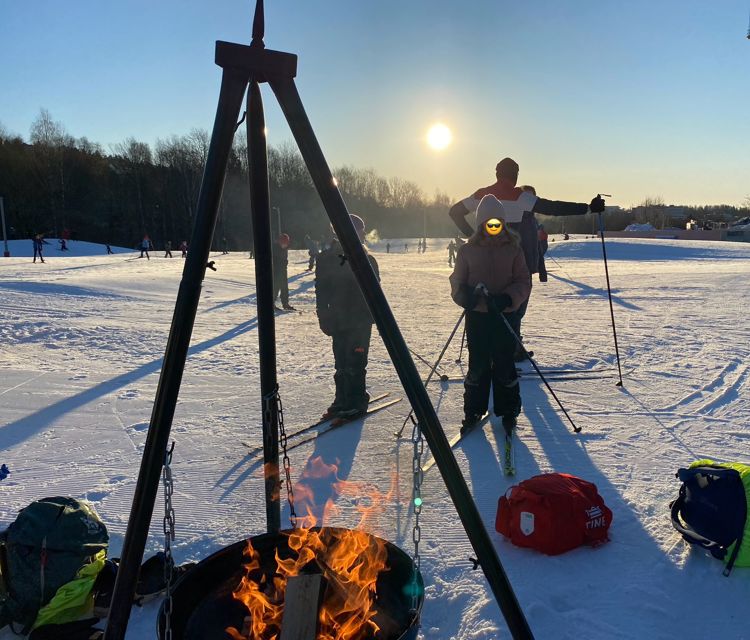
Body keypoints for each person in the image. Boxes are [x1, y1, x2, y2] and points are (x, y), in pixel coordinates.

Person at [449, 157, 606, 360]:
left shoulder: (481, 195)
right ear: (515, 176)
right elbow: (553, 208)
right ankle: (510, 350)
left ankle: (485, 352)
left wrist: (472, 236)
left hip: (481, 258)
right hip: (513, 258)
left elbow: (454, 212)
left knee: (480, 305)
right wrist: (588, 208)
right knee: (513, 306)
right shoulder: (519, 196)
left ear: (497, 174)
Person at [449, 195, 530, 433]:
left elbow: (523, 281)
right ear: (481, 223)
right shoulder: (468, 250)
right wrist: (466, 297)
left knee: (505, 364)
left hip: (504, 315)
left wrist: (507, 298)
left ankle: (508, 411)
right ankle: (474, 410)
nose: (493, 227)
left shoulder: (514, 249)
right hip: (478, 316)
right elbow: (457, 281)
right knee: (478, 365)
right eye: (488, 222)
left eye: (497, 222)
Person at [316, 214, 379, 420]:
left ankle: (356, 398)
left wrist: (375, 316)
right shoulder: (326, 259)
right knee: (341, 361)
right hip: (339, 319)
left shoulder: (367, 259)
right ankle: (342, 398)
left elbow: (375, 290)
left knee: (356, 360)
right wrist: (323, 315)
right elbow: (321, 290)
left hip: (360, 321)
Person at [273, 233, 295, 311]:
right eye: (284, 243)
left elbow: (284, 260)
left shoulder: (284, 249)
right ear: (280, 242)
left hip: (282, 271)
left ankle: (285, 304)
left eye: (286, 243)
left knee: (284, 288)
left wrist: (285, 264)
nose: (285, 245)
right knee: (275, 288)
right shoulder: (275, 249)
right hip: (275, 271)